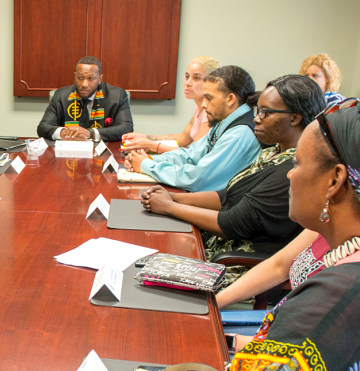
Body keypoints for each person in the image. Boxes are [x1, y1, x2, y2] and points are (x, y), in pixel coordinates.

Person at [207, 101, 360, 371]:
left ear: (335, 181)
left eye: (298, 163)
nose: (289, 174)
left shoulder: (334, 295)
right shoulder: (337, 237)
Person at [140, 75, 325, 268]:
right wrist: (173, 198)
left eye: (265, 113)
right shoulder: (272, 153)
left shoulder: (293, 170)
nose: (256, 118)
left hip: (233, 262)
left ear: (295, 118)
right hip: (215, 244)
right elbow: (229, 195)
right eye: (258, 111)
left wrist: (169, 207)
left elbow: (231, 223)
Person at [125, 65, 261, 192]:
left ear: (230, 99)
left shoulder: (238, 135)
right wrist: (149, 159)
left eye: (209, 98)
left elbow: (197, 178)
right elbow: (191, 155)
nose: (203, 104)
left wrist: (147, 165)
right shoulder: (224, 122)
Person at [121, 56, 219, 153]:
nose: (187, 83)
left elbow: (193, 154)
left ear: (212, 82)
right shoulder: (198, 107)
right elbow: (182, 138)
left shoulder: (210, 111)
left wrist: (150, 145)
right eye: (187, 76)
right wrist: (146, 137)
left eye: (196, 78)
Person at [36, 56, 133, 142]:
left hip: (102, 154)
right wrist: (64, 132)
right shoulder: (61, 95)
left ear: (99, 79)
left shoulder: (117, 96)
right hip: (68, 151)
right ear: (75, 76)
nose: (84, 84)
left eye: (90, 78)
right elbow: (43, 127)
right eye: (80, 78)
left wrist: (90, 133)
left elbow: (126, 128)